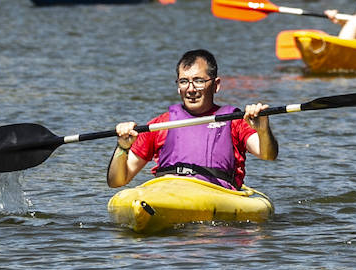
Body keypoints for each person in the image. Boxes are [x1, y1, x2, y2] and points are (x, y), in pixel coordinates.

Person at [108, 50, 277, 190]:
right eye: (184, 81)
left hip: (216, 193)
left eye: (198, 81)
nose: (190, 89)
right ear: (178, 86)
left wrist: (263, 130)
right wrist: (122, 147)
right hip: (166, 191)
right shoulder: (160, 124)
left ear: (216, 85)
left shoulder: (235, 121)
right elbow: (117, 181)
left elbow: (268, 155)